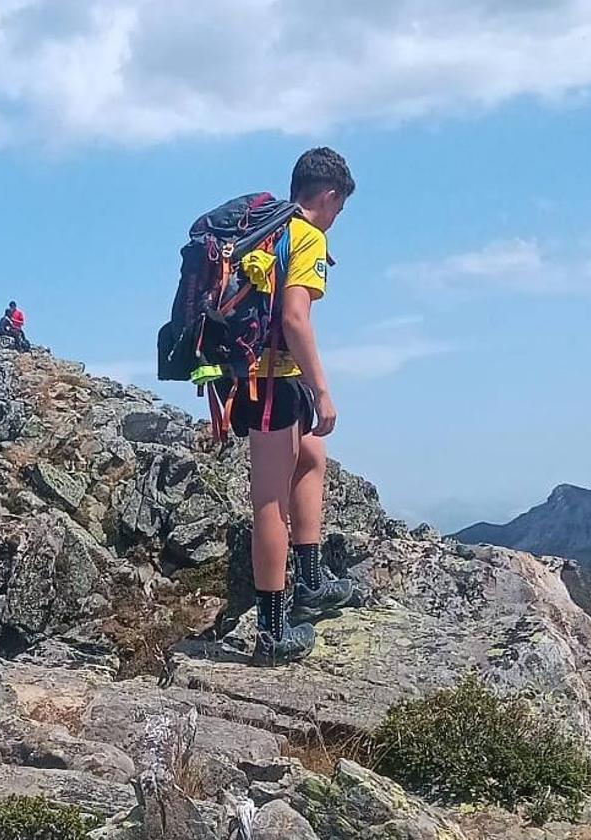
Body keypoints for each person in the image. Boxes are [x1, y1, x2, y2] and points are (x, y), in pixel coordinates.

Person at [213, 147, 356, 667]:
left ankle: (312, 581)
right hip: (271, 382)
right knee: (268, 501)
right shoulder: (307, 236)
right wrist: (323, 391)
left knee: (311, 457)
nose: (338, 219)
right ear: (330, 195)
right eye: (340, 209)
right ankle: (272, 631)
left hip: (272, 377)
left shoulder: (274, 227)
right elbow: (295, 318)